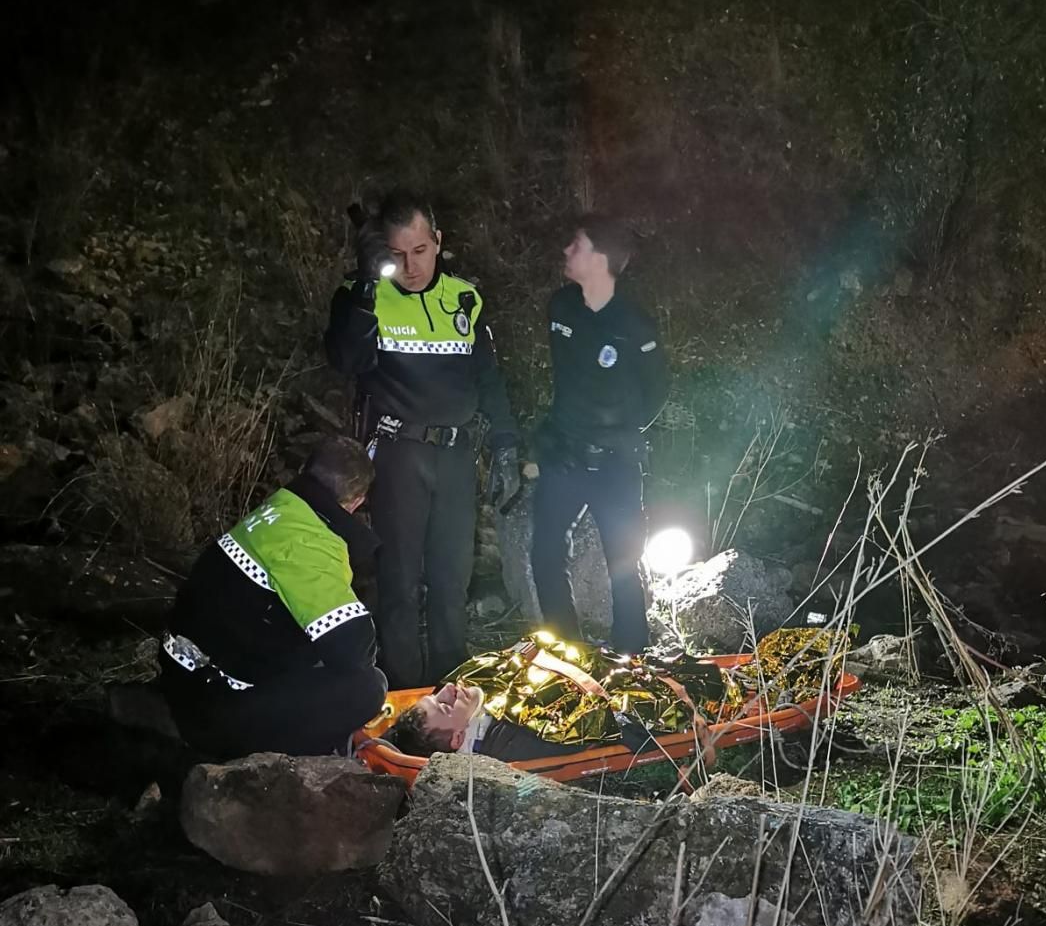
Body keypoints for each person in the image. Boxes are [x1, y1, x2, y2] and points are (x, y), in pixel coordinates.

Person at [324, 189, 521, 688]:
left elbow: (488, 381)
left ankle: (450, 700)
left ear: (438, 241)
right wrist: (368, 289)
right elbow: (345, 362)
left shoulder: (464, 299)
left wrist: (506, 445)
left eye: (419, 251)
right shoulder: (361, 294)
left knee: (452, 581)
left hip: (456, 455)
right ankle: (407, 697)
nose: (410, 267)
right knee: (400, 585)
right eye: (395, 255)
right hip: (397, 453)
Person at [159, 436, 387, 759]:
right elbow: (352, 650)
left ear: (306, 471)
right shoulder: (310, 540)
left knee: (313, 653)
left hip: (183, 674)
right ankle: (286, 763)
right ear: (356, 502)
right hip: (210, 707)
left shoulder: (280, 511)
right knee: (367, 687)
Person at [382, 627, 845, 763]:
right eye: (443, 706)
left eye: (436, 694)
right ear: (460, 740)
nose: (447, 690)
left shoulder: (481, 690)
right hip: (652, 695)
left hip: (621, 669)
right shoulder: (514, 739)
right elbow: (601, 724)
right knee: (768, 674)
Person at [531, 213, 668, 655]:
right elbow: (570, 378)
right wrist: (558, 434)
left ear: (601, 259)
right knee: (546, 554)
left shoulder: (636, 325)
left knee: (624, 564)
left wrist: (623, 433)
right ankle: (566, 649)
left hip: (616, 464)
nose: (567, 252)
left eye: (578, 245)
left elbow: (657, 390)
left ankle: (631, 654)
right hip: (564, 455)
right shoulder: (561, 307)